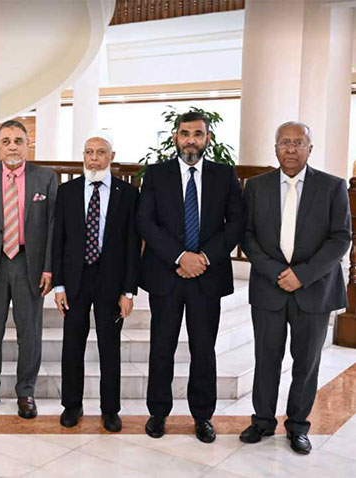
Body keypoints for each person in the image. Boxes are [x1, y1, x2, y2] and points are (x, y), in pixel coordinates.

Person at [240, 122, 351, 455]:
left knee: (306, 363)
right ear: (275, 148)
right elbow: (247, 236)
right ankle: (262, 421)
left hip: (314, 290)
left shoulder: (332, 186)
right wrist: (277, 272)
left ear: (310, 149)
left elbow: (340, 238)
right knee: (266, 359)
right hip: (269, 288)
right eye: (285, 142)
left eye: (299, 143)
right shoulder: (256, 187)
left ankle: (298, 426)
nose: (291, 148)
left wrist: (302, 275)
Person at [137, 111, 244, 443]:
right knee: (161, 347)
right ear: (175, 138)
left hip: (207, 278)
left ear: (207, 139)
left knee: (204, 349)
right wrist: (180, 257)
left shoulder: (224, 175)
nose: (191, 140)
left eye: (198, 134)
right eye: (185, 134)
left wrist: (204, 258)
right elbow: (145, 222)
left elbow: (236, 224)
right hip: (165, 275)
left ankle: (202, 416)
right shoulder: (156, 174)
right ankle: (158, 412)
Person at [0, 119, 57, 419]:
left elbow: (53, 228)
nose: (12, 146)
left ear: (28, 144)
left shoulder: (46, 178)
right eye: (6, 141)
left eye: (18, 141)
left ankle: (25, 392)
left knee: (29, 333)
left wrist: (49, 269)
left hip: (30, 265)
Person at [52, 135, 140, 432]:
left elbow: (132, 246)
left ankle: (110, 410)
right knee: (72, 346)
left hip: (111, 282)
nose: (94, 158)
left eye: (100, 152)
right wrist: (59, 286)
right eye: (89, 152)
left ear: (111, 156)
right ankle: (72, 405)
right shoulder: (67, 192)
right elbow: (58, 240)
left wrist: (129, 291)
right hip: (75, 281)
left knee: (110, 347)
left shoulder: (128, 194)